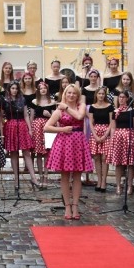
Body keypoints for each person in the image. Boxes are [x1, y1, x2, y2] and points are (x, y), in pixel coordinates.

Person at [45, 83, 91, 220]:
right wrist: (62, 129)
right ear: (65, 94)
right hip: (64, 142)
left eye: (74, 93)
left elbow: (79, 117)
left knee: (77, 176)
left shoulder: (80, 106)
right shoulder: (59, 110)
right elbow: (46, 127)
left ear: (77, 95)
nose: (71, 95)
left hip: (78, 142)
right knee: (64, 176)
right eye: (68, 93)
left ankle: (75, 205)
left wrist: (66, 108)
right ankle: (67, 206)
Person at [2, 81, 40, 190]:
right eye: (12, 88)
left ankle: (33, 177)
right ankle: (16, 179)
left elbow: (26, 115)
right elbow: (1, 116)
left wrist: (30, 129)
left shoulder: (22, 99)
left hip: (22, 125)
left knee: (26, 152)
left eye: (16, 88)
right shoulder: (5, 101)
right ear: (9, 90)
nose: (14, 90)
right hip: (10, 126)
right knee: (13, 153)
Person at [106, 90, 134, 196]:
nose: (121, 99)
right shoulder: (115, 112)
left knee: (130, 163)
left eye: (123, 97)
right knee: (118, 163)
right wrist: (112, 140)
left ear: (127, 98)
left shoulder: (132, 111)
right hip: (118, 137)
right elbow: (113, 127)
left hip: (129, 136)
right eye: (120, 97)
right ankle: (118, 185)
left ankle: (129, 185)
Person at [31, 79, 55, 187]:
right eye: (41, 88)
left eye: (44, 88)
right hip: (37, 127)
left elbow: (55, 117)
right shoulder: (34, 102)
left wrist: (49, 115)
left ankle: (46, 175)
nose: (43, 90)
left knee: (47, 153)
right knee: (39, 153)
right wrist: (30, 130)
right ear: (38, 90)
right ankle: (40, 175)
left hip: (48, 126)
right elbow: (31, 117)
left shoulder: (52, 102)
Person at [89, 86, 113, 192]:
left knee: (104, 158)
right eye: (99, 94)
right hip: (96, 132)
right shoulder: (92, 107)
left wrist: (105, 135)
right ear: (96, 95)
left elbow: (112, 121)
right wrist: (95, 135)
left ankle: (104, 181)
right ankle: (98, 180)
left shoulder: (109, 106)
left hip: (106, 131)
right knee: (97, 158)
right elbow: (90, 122)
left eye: (103, 94)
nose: (101, 96)